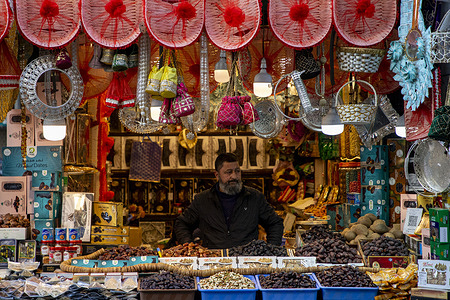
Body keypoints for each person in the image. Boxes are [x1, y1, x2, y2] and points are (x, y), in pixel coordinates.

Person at [174, 153, 283, 249]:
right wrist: (189, 247)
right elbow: (182, 223)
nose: (234, 176)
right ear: (217, 175)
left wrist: (271, 249)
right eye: (228, 172)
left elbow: (275, 222)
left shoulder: (254, 197)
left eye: (237, 171)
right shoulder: (202, 200)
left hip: (247, 260)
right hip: (213, 261)